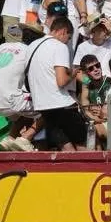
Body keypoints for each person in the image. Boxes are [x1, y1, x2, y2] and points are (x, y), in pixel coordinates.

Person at [25, 16, 87, 151]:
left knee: (67, 149)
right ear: (63, 31)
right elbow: (61, 81)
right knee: (84, 146)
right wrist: (74, 73)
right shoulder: (59, 47)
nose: (68, 41)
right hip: (62, 104)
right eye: (69, 37)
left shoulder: (31, 46)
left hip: (42, 105)